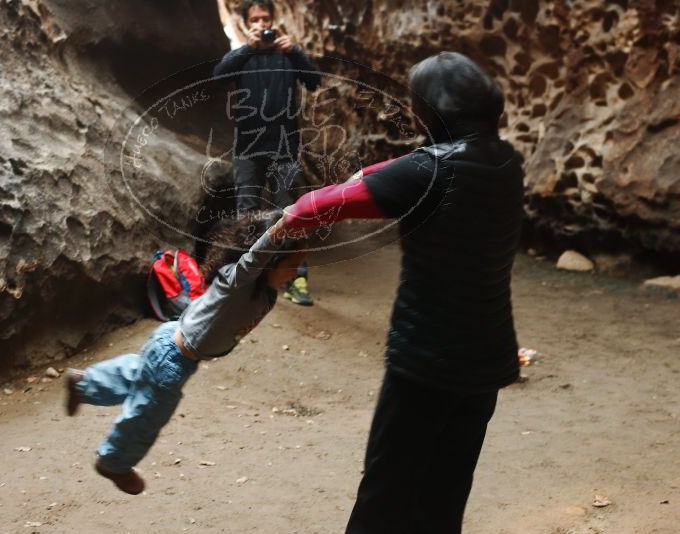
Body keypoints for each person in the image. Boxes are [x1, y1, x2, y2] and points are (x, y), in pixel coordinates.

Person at [275, 52, 525, 533]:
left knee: (384, 494)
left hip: (425, 362)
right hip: (486, 359)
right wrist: (375, 173)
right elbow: (415, 165)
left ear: (425, 113)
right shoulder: (505, 160)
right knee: (445, 495)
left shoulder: (425, 173)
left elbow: (308, 208)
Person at [64, 211, 305, 495]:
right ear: (270, 261)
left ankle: (85, 384)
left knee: (136, 376)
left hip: (171, 342)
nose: (296, 272)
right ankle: (114, 462)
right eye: (291, 265)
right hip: (174, 358)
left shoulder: (263, 291)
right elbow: (255, 258)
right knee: (148, 415)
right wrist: (279, 229)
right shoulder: (239, 282)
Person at [213, 0, 321, 306]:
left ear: (274, 21)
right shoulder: (242, 55)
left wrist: (295, 52)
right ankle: (248, 280)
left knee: (290, 215)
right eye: (255, 19)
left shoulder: (288, 55)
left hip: (284, 149)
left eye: (265, 18)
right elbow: (218, 76)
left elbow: (314, 82)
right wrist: (247, 47)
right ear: (247, 24)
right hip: (248, 149)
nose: (261, 24)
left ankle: (295, 279)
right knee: (247, 215)